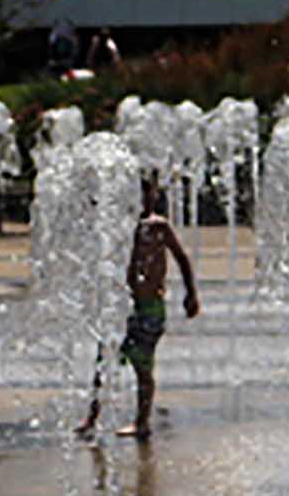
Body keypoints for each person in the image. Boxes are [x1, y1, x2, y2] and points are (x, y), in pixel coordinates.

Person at [78, 177, 201, 439]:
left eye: (148, 194)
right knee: (104, 359)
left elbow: (182, 258)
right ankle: (92, 418)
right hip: (123, 307)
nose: (143, 200)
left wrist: (191, 294)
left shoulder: (159, 226)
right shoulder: (122, 227)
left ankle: (142, 421)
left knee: (143, 365)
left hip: (149, 306)